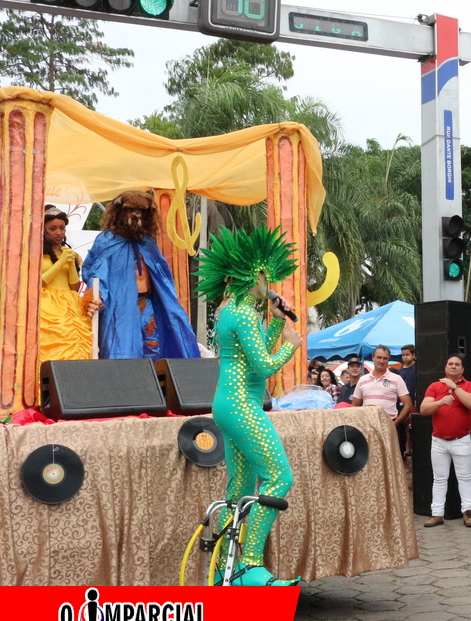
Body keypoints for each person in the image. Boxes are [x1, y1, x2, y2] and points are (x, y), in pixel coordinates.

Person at [195, 225, 302, 586]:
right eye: (264, 276)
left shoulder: (234, 309)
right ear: (249, 275)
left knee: (240, 488)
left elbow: (254, 360)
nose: (268, 283)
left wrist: (276, 321)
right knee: (279, 476)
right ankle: (250, 564)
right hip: (241, 405)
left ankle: (225, 570)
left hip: (232, 402)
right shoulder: (241, 312)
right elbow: (263, 367)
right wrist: (291, 346)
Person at [82, 190, 200, 360]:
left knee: (154, 350)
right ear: (120, 212)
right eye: (131, 210)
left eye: (142, 211)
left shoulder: (148, 242)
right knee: (121, 352)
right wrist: (97, 295)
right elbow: (96, 272)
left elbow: (162, 277)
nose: (136, 215)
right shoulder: (106, 241)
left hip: (147, 304)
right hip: (119, 308)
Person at [420, 354, 471, 528]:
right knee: (439, 479)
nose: (453, 366)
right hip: (438, 440)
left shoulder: (470, 385)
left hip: (461, 439)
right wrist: (439, 403)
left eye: (457, 364)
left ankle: (468, 513)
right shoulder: (435, 386)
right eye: (450, 364)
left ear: (462, 369)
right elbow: (424, 409)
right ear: (445, 367)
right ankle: (437, 514)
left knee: (465, 478)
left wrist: (454, 386)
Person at [38, 205, 93, 362]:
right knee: (52, 343)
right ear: (43, 230)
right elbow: (39, 283)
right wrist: (60, 262)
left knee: (76, 341)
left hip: (70, 303)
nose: (59, 232)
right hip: (46, 304)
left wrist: (70, 264)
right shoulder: (36, 253)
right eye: (53, 228)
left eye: (62, 228)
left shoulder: (70, 253)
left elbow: (74, 287)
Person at [352, 345, 413, 451]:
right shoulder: (362, 380)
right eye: (379, 357)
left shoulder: (396, 379)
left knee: (390, 458)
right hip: (368, 427)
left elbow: (408, 405)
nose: (382, 361)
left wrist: (394, 424)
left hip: (389, 426)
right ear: (373, 358)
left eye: (385, 358)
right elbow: (354, 405)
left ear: (388, 360)